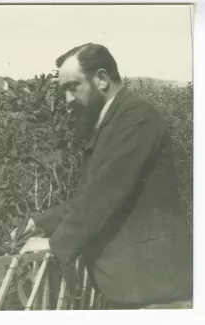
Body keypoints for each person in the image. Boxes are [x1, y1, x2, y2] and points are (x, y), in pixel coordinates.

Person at [12, 43, 193, 309]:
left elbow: (104, 193)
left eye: (73, 87)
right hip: (135, 284)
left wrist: (54, 242)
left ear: (101, 79)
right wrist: (38, 221)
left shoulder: (136, 116)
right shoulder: (114, 120)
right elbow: (90, 194)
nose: (68, 100)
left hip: (154, 289)